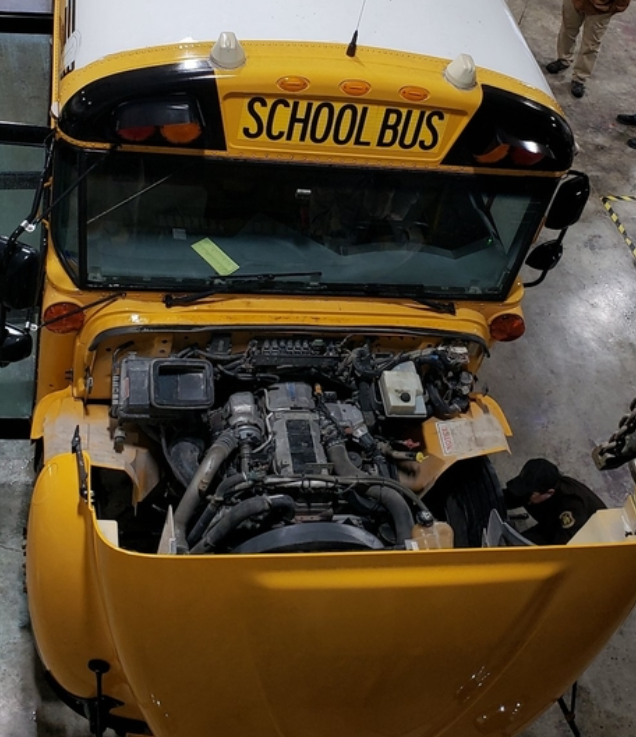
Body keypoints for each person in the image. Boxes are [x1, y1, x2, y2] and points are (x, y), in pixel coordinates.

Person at [504, 458, 606, 545]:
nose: (524, 496)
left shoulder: (572, 506)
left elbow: (560, 548)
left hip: (581, 538)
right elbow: (511, 497)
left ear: (549, 493)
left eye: (529, 494)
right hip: (552, 522)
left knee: (515, 551)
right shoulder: (539, 486)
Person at [545, 0, 631, 99]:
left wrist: (614, 7)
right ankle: (563, 59)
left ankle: (580, 78)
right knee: (567, 29)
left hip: (601, 8)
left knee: (591, 44)